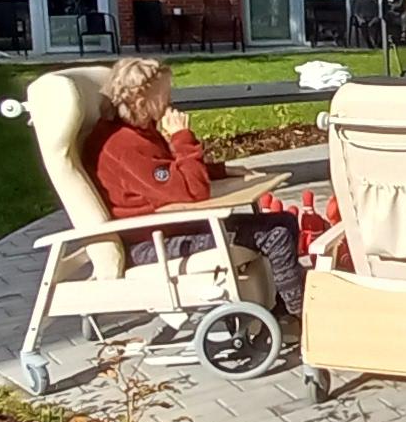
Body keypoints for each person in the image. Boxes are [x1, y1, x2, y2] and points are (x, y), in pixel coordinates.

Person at [83, 57, 304, 317]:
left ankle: (284, 306)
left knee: (284, 221)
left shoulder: (136, 131)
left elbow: (171, 171)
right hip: (152, 242)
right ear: (141, 102)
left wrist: (221, 171)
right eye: (164, 95)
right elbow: (193, 191)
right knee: (276, 233)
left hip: (171, 226)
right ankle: (301, 312)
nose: (169, 101)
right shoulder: (124, 146)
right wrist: (181, 136)